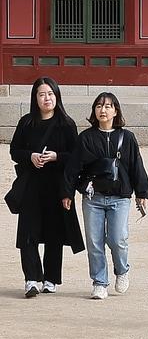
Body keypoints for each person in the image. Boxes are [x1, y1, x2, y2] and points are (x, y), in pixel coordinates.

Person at [61, 92, 148, 301]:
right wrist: (66, 192)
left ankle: (122, 270)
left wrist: (142, 192)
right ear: (94, 111)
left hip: (120, 196)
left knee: (117, 238)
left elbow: (136, 165)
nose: (103, 110)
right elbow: (73, 167)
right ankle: (99, 282)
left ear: (116, 111)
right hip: (93, 197)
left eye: (108, 106)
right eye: (99, 106)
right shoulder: (86, 138)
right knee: (94, 241)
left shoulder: (126, 138)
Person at [9, 77, 84, 297]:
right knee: (28, 232)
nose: (46, 98)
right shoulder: (26, 122)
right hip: (31, 184)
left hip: (56, 185)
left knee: (54, 233)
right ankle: (31, 279)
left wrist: (56, 157)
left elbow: (75, 156)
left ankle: (51, 279)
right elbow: (14, 151)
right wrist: (30, 156)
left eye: (50, 94)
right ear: (35, 98)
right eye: (42, 94)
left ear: (57, 96)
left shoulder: (66, 124)